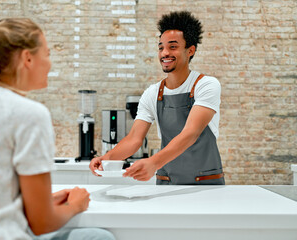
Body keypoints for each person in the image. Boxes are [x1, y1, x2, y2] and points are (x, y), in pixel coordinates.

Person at [0, 18, 115, 240]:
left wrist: (45, 202)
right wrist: (76, 205)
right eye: (47, 54)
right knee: (97, 237)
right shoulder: (28, 113)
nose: (50, 63)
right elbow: (41, 223)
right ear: (27, 58)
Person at [90, 11, 225, 185]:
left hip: (206, 185)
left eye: (173, 47)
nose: (164, 53)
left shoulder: (206, 85)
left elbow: (190, 133)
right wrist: (106, 158)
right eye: (161, 47)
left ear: (190, 50)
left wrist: (154, 162)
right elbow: (134, 139)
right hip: (166, 184)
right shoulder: (153, 93)